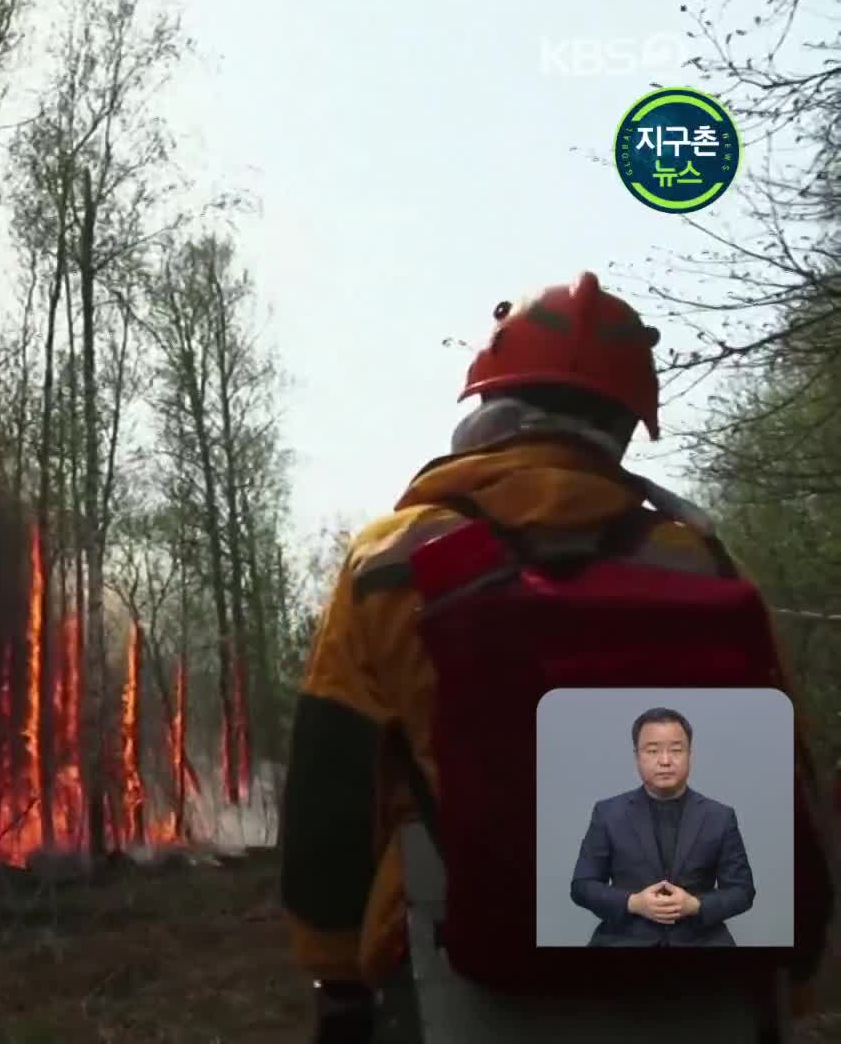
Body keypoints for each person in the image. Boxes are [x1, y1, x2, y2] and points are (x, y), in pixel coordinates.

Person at [277, 272, 835, 1043]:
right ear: (624, 426)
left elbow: (329, 791)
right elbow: (790, 786)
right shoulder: (701, 562)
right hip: (703, 988)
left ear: (488, 408)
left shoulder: (395, 559)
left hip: (460, 989)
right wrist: (789, 987)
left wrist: (338, 984)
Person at [570, 707, 754, 947]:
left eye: (676, 750)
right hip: (623, 940)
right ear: (637, 756)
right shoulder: (608, 813)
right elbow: (582, 886)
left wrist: (695, 906)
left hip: (701, 940)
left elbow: (742, 891)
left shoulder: (719, 816)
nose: (665, 761)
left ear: (690, 755)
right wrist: (633, 903)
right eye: (653, 750)